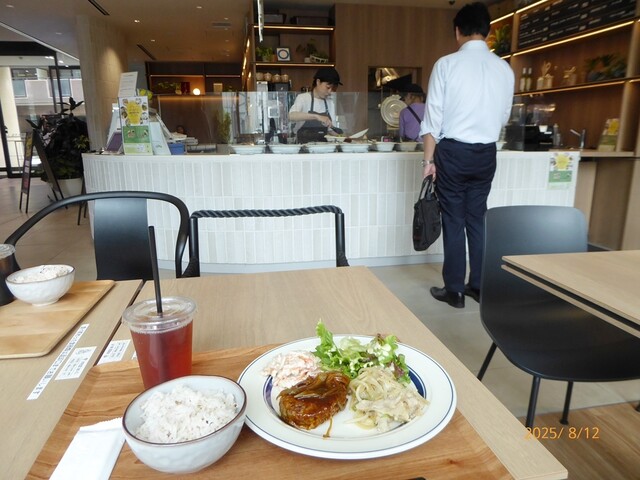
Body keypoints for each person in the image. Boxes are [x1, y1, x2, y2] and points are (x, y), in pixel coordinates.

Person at [420, 2, 515, 308]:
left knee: (453, 220)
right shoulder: (504, 69)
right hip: (486, 153)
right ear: (487, 31)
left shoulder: (447, 65)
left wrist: (428, 161)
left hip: (453, 152)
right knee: (477, 219)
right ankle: (479, 286)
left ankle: (454, 290)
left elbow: (432, 120)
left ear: (458, 31)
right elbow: (503, 117)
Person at [289, 67, 342, 143]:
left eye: (332, 88)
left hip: (323, 146)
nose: (330, 91)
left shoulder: (330, 103)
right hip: (303, 146)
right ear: (318, 82)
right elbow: (291, 116)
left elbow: (330, 130)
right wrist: (317, 117)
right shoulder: (303, 98)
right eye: (328, 87)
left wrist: (343, 137)